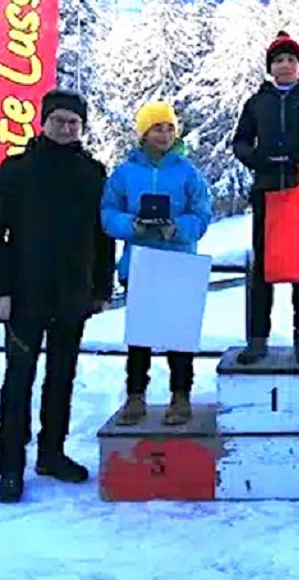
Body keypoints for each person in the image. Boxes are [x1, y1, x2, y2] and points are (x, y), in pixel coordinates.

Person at [0, 89, 115, 504]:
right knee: (18, 380)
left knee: (62, 377)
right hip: (24, 294)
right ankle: (11, 467)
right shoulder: (16, 170)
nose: (67, 127)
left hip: (73, 293)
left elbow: (103, 235)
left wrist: (101, 287)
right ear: (43, 122)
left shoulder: (93, 173)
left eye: (74, 122)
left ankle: (51, 453)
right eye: (59, 120)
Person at [232, 31, 299, 364]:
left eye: (291, 60)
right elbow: (240, 142)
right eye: (279, 60)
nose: (285, 66)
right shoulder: (257, 102)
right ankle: (257, 338)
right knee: (263, 268)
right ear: (270, 67)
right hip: (267, 194)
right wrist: (258, 158)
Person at [101, 101, 212, 427]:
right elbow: (107, 213)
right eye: (157, 128)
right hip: (140, 262)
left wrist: (176, 229)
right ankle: (135, 397)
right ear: (143, 133)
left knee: (179, 335)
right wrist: (131, 224)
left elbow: (203, 215)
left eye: (169, 128)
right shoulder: (124, 172)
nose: (164, 134)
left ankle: (181, 396)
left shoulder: (188, 171)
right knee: (140, 335)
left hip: (178, 261)